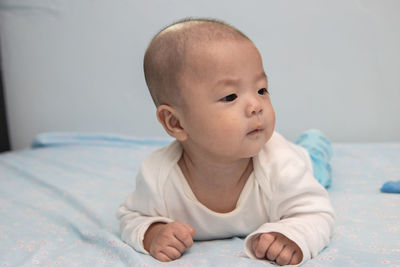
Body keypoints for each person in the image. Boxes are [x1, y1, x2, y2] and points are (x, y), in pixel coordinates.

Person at [117, 18, 335, 266]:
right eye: (230, 96)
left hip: (302, 166)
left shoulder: (282, 164)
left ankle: (315, 145)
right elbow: (131, 217)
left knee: (315, 167)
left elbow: (316, 212)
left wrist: (293, 235)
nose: (256, 106)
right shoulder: (158, 177)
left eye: (262, 90)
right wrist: (153, 232)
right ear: (175, 123)